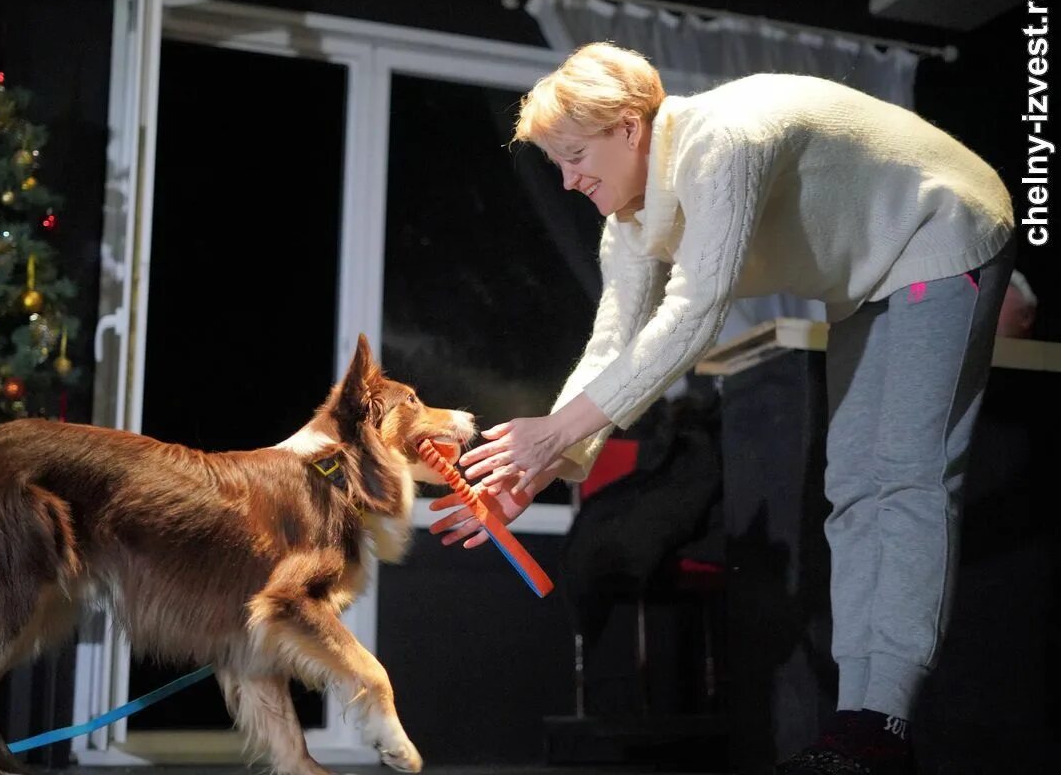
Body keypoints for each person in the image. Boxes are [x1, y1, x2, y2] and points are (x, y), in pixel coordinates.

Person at [430, 42, 1015, 775]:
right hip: (866, 279)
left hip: (945, 227)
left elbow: (695, 311)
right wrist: (550, 465)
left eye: (575, 154)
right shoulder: (630, 224)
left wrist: (556, 435)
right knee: (850, 487)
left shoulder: (721, 141)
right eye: (556, 163)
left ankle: (878, 723)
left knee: (903, 477)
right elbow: (614, 342)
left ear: (629, 128)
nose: (568, 179)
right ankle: (858, 727)